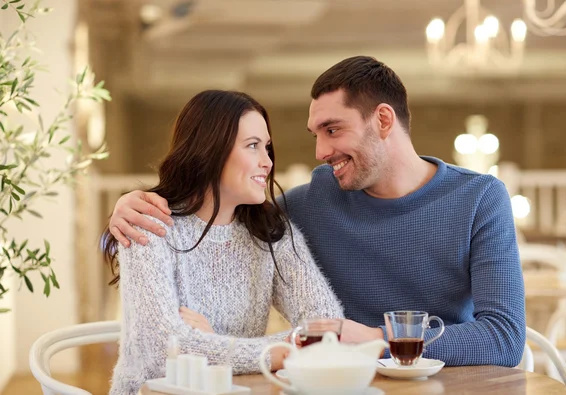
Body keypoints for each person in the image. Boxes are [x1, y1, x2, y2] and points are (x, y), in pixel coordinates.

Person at [108, 56, 526, 367]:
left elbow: (505, 339)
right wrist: (126, 207)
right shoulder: (300, 209)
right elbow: (219, 217)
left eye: (332, 130)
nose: (321, 153)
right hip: (341, 384)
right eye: (315, 134)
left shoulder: (480, 198)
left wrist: (374, 339)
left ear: (383, 120)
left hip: (449, 385)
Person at [103, 90, 344, 395]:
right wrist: (273, 351)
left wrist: (211, 341)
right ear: (210, 151)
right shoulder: (149, 225)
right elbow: (162, 351)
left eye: (267, 148)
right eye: (253, 146)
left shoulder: (271, 232)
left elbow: (328, 328)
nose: (267, 162)